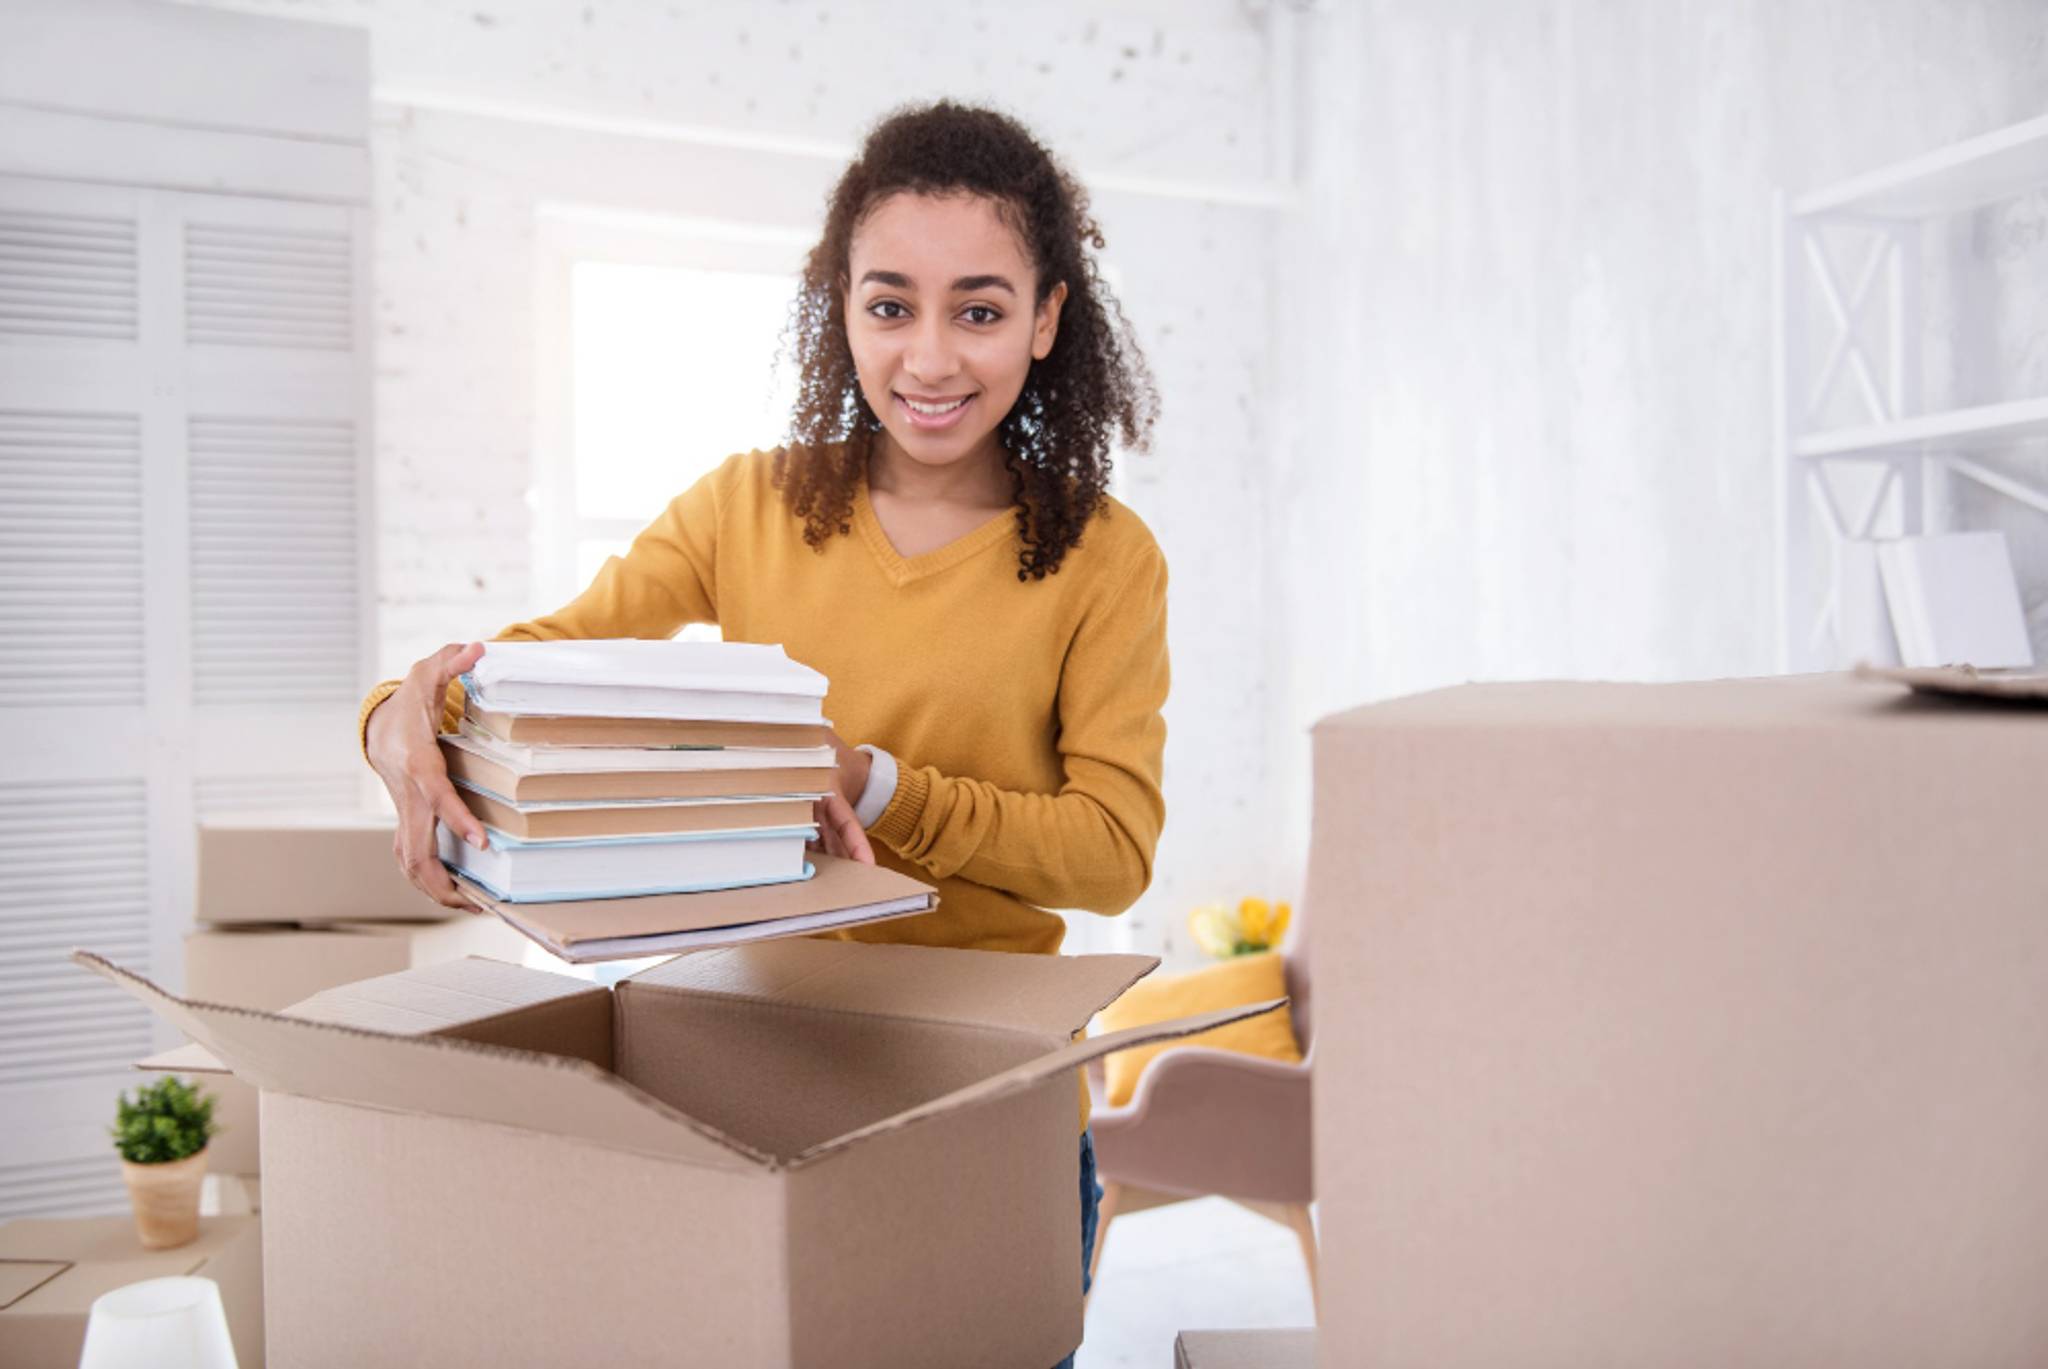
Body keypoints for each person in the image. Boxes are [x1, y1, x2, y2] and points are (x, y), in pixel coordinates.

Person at [357, 99, 1168, 1361]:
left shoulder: (1102, 558)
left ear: (1047, 318)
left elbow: (1113, 849)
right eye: (890, 305)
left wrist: (878, 783)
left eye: (981, 308)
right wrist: (393, 721)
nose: (931, 359)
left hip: (986, 1094)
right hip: (753, 1077)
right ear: (837, 305)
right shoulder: (749, 504)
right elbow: (527, 671)